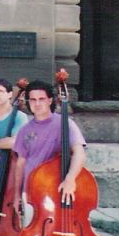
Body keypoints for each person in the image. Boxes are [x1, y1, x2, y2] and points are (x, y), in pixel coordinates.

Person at [12, 80, 87, 212]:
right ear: (28, 102)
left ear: (50, 101)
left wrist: (70, 179)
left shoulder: (65, 124)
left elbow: (79, 153)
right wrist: (17, 195)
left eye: (41, 99)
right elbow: (20, 164)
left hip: (56, 188)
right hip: (30, 190)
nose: (37, 104)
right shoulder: (24, 130)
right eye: (33, 100)